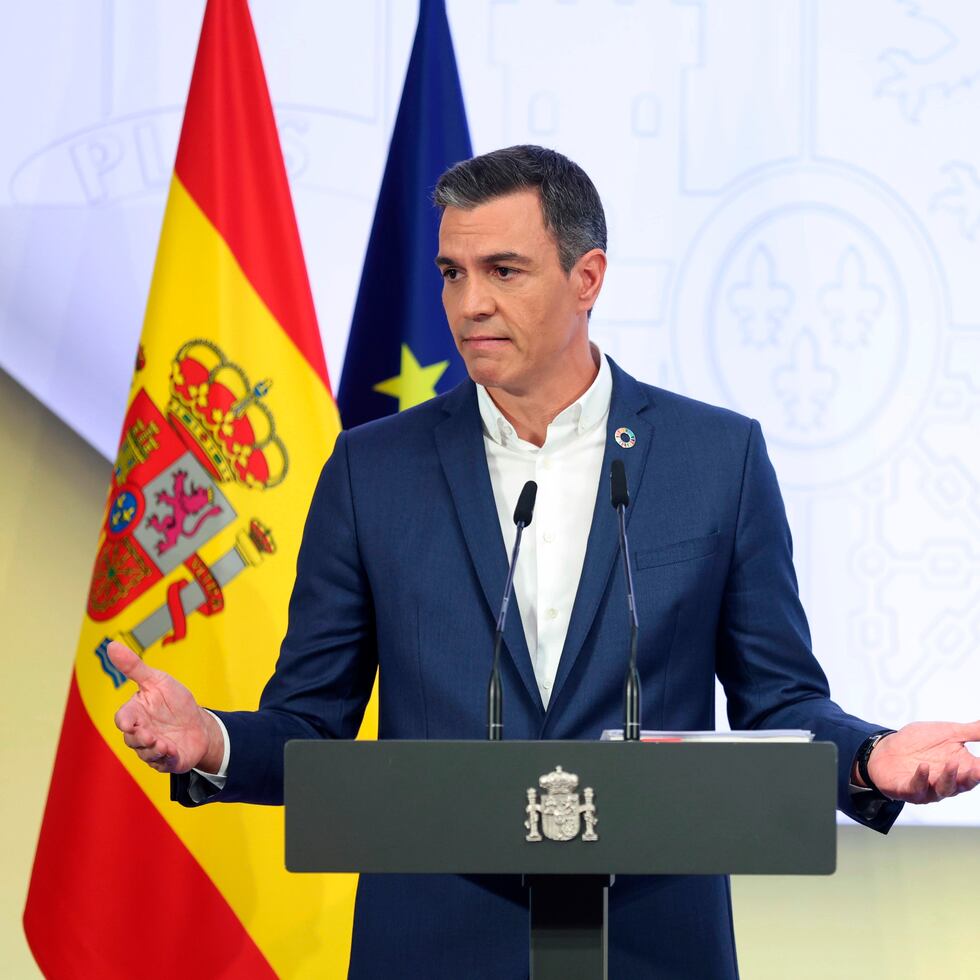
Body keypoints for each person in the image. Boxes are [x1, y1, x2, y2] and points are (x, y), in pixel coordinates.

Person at [109, 145, 980, 979]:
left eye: (504, 270)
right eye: (453, 273)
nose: (469, 303)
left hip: (651, 945)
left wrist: (868, 758)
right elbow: (312, 724)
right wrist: (211, 740)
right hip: (430, 949)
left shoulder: (717, 459)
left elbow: (779, 700)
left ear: (587, 278)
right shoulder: (371, 472)